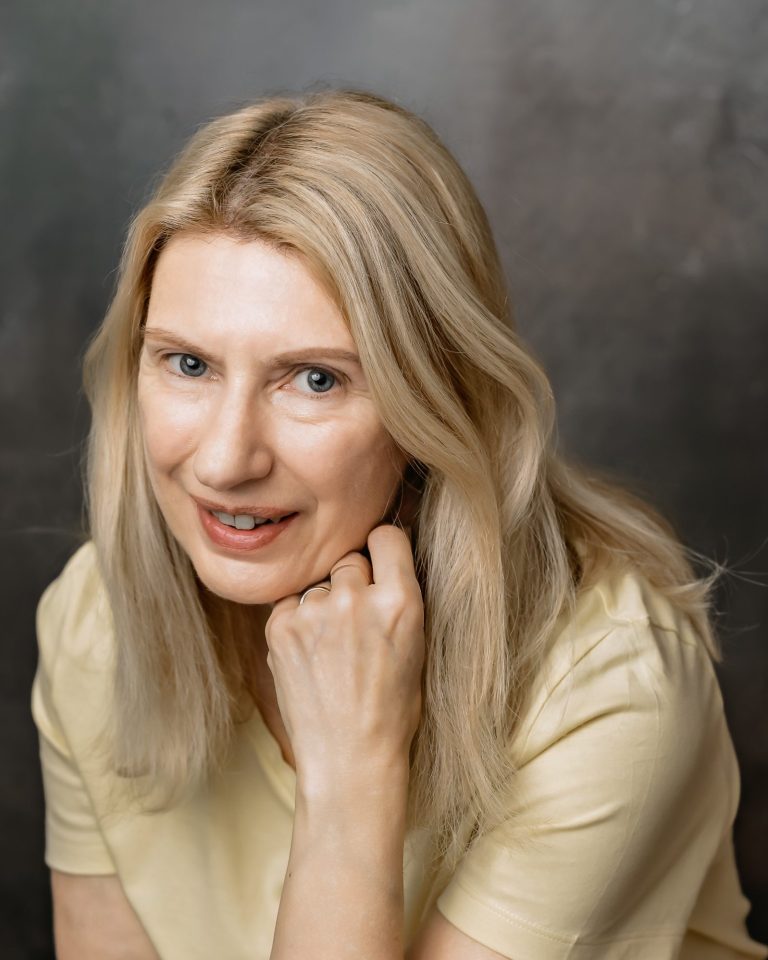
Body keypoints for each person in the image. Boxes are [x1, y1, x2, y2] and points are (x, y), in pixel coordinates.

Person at [31, 88, 767, 960]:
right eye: (187, 364)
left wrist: (351, 777)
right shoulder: (94, 622)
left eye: (315, 379)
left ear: (436, 396)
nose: (225, 461)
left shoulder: (606, 687)